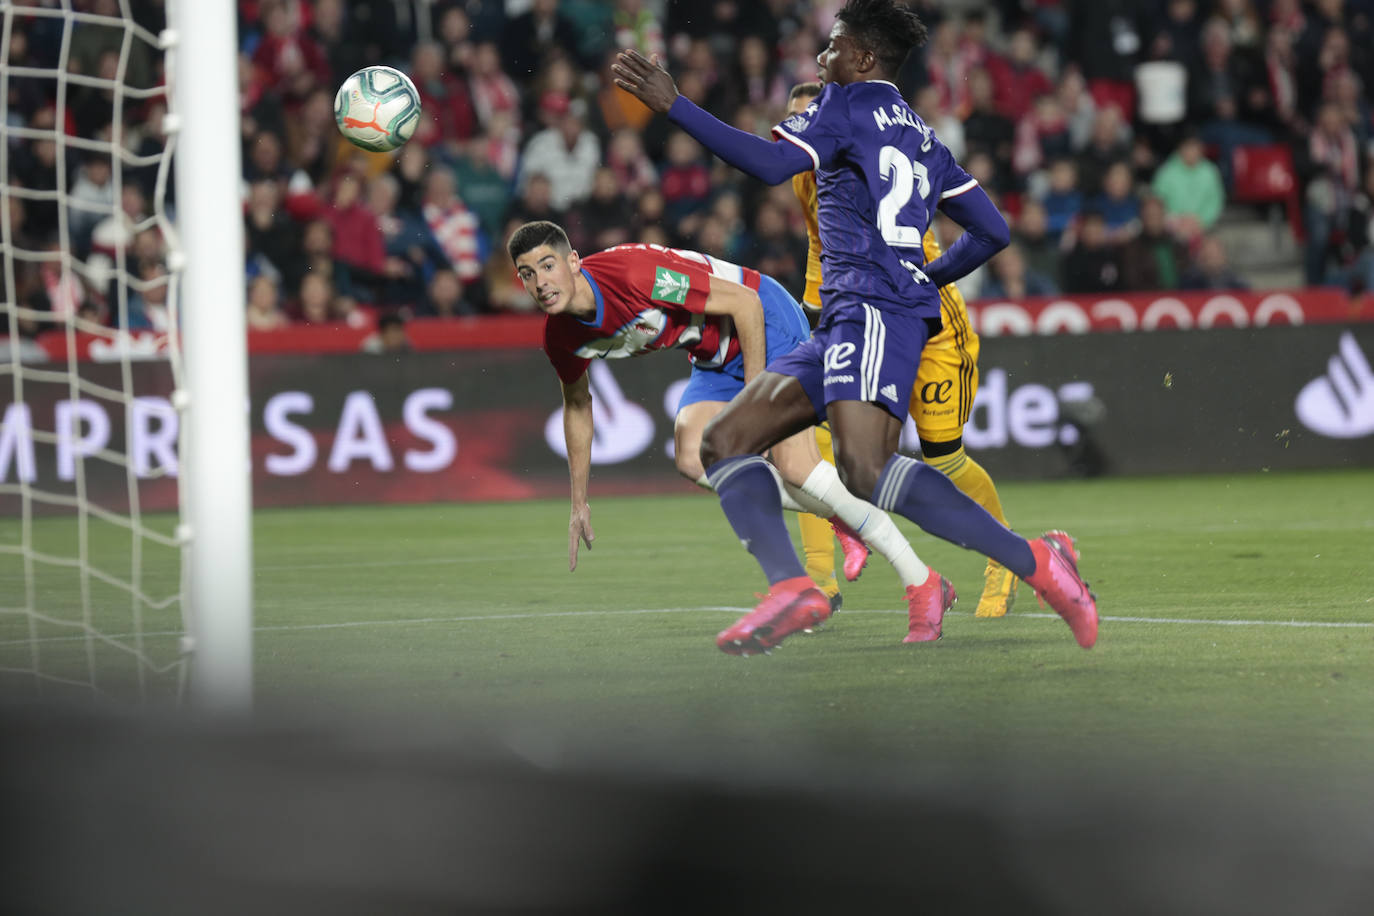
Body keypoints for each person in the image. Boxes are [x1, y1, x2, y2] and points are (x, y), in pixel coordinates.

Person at [614, 0, 1098, 655]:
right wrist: (932, 276)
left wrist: (676, 105)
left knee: (864, 469)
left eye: (832, 46)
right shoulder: (925, 136)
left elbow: (767, 165)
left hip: (872, 309)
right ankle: (791, 586)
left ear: (864, 56)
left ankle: (1035, 560)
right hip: (854, 314)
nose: (822, 58)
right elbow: (994, 229)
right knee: (727, 439)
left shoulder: (843, 105)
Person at [507, 220, 934, 615]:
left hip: (766, 319)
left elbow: (745, 303)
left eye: (548, 265)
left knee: (796, 465)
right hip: (713, 355)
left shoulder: (634, 275)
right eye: (527, 274)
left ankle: (923, 581)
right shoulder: (561, 336)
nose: (541, 282)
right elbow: (578, 405)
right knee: (693, 457)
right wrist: (578, 502)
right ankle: (837, 514)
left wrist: (756, 410)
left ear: (573, 261)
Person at [785, 81, 1023, 622]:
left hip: (929, 322)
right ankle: (818, 583)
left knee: (944, 457)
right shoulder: (805, 179)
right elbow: (822, 258)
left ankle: (1003, 557)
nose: (806, 130)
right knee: (807, 445)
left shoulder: (866, 153)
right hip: (864, 324)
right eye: (797, 121)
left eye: (812, 117)